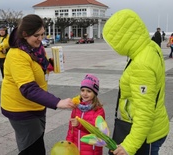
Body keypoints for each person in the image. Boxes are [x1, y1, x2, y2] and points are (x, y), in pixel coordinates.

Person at [0, 14, 76, 155]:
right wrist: (57, 102)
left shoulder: (35, 49)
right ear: (25, 34)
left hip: (35, 106)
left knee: (34, 145)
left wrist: (53, 63)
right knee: (33, 149)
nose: (41, 39)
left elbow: (41, 66)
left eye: (42, 34)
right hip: (21, 109)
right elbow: (28, 88)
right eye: (37, 35)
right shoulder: (17, 54)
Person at [103, 9, 169, 155]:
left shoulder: (141, 65)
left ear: (122, 39)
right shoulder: (150, 47)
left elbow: (144, 112)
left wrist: (129, 145)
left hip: (148, 135)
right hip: (155, 125)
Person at [66, 74, 105, 155]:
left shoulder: (98, 110)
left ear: (95, 93)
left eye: (89, 91)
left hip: (92, 150)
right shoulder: (76, 108)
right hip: (76, 148)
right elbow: (71, 129)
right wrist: (68, 143)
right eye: (83, 90)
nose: (85, 94)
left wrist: (80, 124)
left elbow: (97, 131)